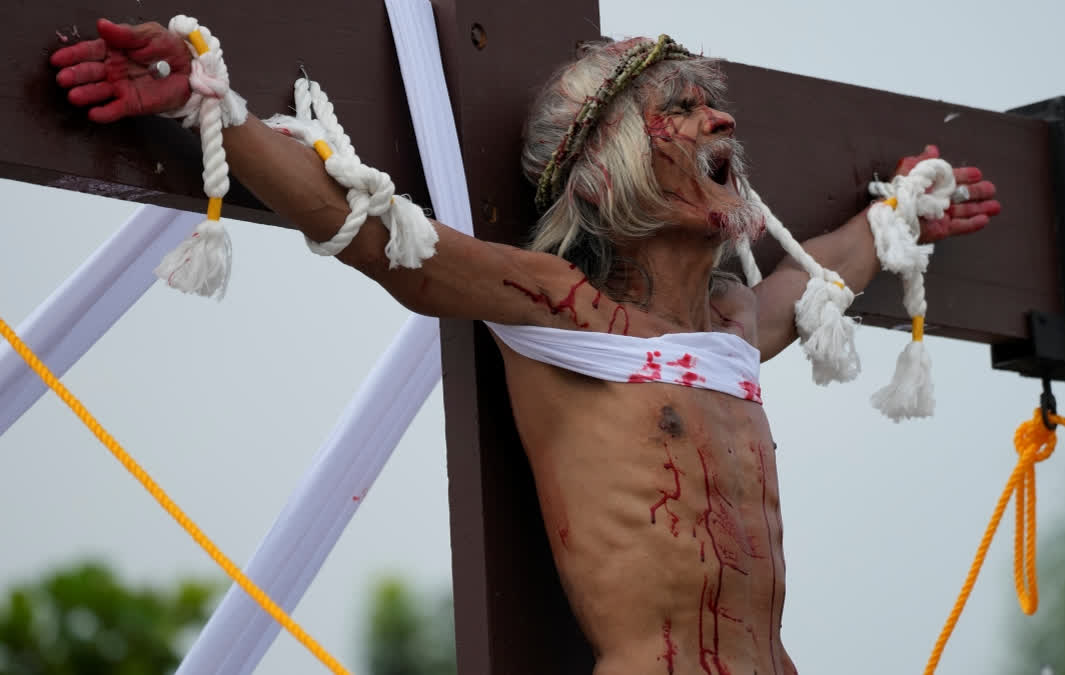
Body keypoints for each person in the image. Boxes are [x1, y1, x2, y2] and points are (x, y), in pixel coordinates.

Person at [50, 19, 1000, 675]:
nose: (723, 119)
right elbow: (387, 239)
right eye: (681, 107)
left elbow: (833, 267)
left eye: (712, 104)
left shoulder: (733, 325)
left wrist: (906, 206)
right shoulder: (562, 307)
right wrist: (212, 105)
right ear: (606, 170)